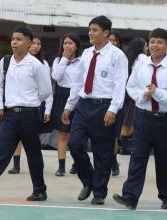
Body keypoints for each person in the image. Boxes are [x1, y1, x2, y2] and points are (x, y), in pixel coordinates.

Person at [0, 27, 52, 202]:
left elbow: (46, 91)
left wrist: (29, 101)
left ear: (29, 43)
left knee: (33, 153)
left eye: (19, 39)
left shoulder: (36, 65)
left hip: (29, 114)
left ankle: (40, 190)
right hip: (9, 115)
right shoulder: (6, 62)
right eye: (13, 39)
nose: (14, 42)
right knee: (2, 152)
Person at [113, 28, 167, 210]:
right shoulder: (141, 64)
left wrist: (158, 94)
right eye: (152, 42)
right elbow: (131, 86)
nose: (155, 45)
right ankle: (130, 197)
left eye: (159, 42)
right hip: (143, 117)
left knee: (164, 160)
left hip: (166, 119)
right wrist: (142, 95)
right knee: (137, 157)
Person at [62, 15, 128, 205]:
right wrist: (69, 106)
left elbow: (119, 85)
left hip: (104, 106)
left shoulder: (117, 55)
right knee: (74, 144)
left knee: (102, 152)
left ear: (106, 33)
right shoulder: (86, 53)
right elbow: (77, 82)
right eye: (89, 29)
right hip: (84, 104)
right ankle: (88, 181)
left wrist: (113, 109)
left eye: (95, 30)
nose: (90, 33)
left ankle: (99, 192)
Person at [8, 35, 54, 175]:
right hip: (16, 105)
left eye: (38, 44)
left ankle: (36, 164)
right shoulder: (12, 61)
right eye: (33, 43)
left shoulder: (42, 64)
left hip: (34, 105)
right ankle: (16, 164)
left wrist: (47, 109)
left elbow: (47, 90)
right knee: (16, 138)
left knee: (33, 139)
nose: (36, 46)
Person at [46, 33, 82, 176]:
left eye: (71, 43)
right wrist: (65, 58)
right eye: (65, 43)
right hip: (62, 96)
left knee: (77, 135)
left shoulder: (82, 61)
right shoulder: (58, 60)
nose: (67, 46)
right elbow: (55, 76)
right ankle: (61, 166)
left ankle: (77, 162)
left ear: (77, 46)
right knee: (63, 134)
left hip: (77, 97)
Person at [120, 38, 148, 156]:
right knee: (132, 121)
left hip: (126, 92)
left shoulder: (128, 57)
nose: (147, 48)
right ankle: (126, 147)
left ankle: (123, 146)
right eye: (146, 45)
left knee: (126, 121)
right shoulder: (143, 59)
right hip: (136, 93)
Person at [108, 30, 123, 177]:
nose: (112, 43)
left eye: (115, 40)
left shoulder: (121, 57)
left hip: (116, 102)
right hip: (100, 101)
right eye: (110, 40)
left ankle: (113, 160)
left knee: (112, 136)